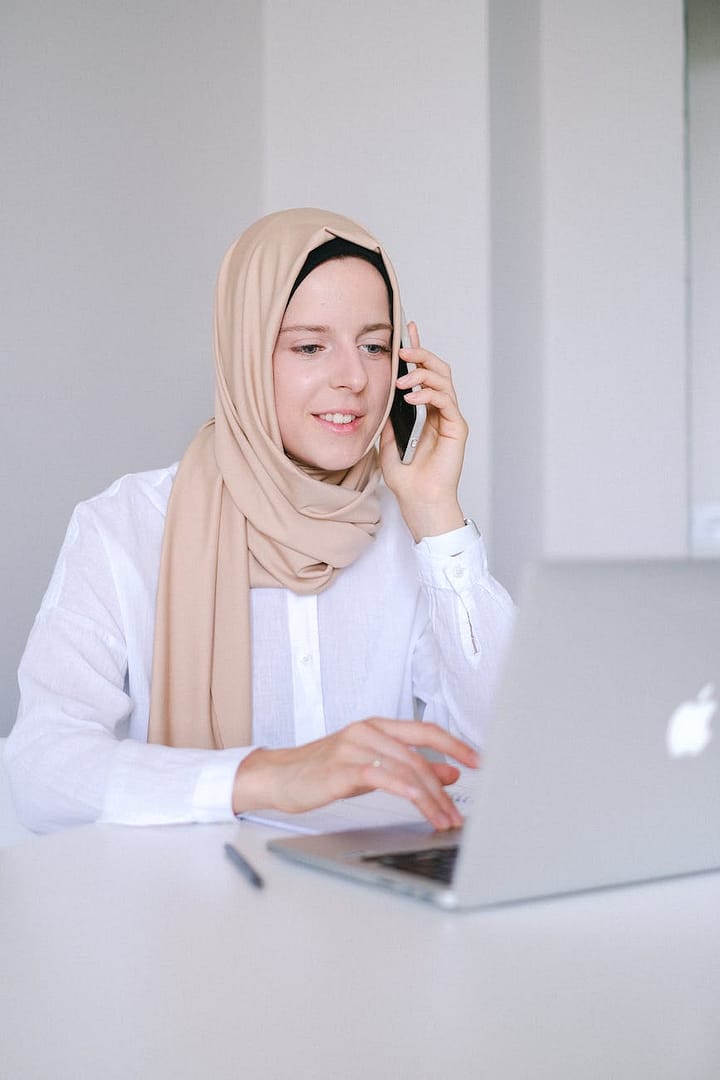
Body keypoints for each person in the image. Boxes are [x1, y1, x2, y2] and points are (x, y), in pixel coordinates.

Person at [6, 208, 514, 833]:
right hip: (182, 914)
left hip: (367, 917)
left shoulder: (406, 537)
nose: (354, 378)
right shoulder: (126, 527)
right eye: (309, 346)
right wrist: (269, 777)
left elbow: (506, 745)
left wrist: (438, 513)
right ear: (245, 352)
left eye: (375, 346)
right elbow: (38, 769)